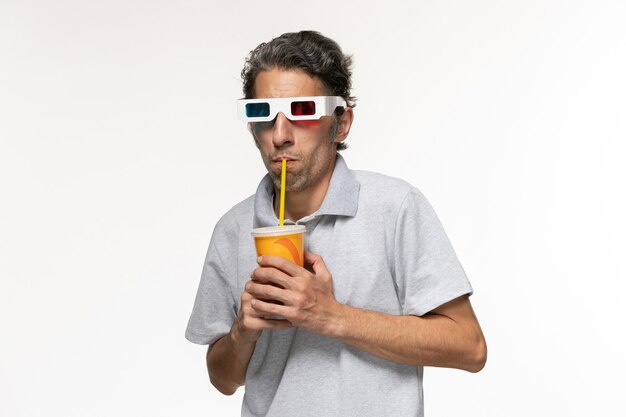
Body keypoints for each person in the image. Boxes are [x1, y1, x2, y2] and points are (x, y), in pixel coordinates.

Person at [186, 30, 487, 417]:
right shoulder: (232, 229)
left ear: (341, 123)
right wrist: (244, 331)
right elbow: (222, 379)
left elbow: (469, 347)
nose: (280, 136)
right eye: (263, 114)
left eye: (303, 111)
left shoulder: (394, 208)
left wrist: (331, 316)